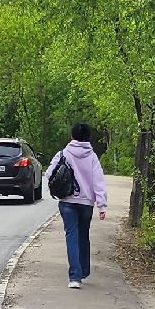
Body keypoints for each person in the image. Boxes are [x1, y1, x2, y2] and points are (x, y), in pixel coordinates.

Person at [51, 123, 107, 289]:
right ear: (88, 137)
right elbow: (98, 181)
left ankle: (74, 278)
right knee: (83, 235)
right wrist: (102, 206)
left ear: (72, 135)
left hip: (67, 201)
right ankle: (84, 270)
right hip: (86, 204)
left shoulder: (63, 154)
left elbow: (50, 173)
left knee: (71, 235)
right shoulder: (92, 157)